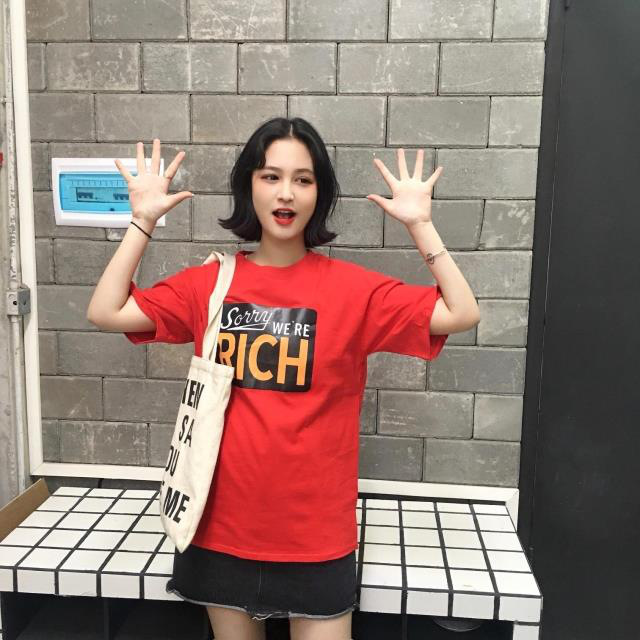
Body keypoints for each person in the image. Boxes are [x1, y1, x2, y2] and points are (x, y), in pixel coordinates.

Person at [86, 117, 480, 640]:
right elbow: (106, 311)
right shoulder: (210, 284)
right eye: (271, 176)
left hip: (316, 538)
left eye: (303, 179)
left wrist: (420, 226)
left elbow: (461, 312)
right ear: (249, 186)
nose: (286, 193)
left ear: (320, 194)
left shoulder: (354, 290)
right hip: (219, 529)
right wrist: (141, 221)